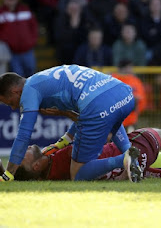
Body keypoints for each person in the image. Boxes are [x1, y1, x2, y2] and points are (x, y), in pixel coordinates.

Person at [0, 65, 142, 182]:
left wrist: (9, 174)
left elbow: (23, 135)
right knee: (109, 117)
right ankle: (130, 156)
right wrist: (66, 137)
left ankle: (123, 159)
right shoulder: (42, 79)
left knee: (78, 174)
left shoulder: (28, 92)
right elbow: (85, 112)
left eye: (10, 103)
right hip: (124, 94)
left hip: (99, 105)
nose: (13, 108)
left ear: (15, 91)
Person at [11, 127, 161, 181]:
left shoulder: (52, 170)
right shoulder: (61, 157)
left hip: (122, 171)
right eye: (22, 157)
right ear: (36, 167)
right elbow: (88, 127)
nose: (23, 150)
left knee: (136, 168)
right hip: (134, 148)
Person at [0, 0, 38, 78]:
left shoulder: (25, 10)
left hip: (28, 49)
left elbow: (34, 27)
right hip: (12, 51)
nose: (11, 1)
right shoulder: (1, 13)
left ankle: (30, 92)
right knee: (18, 75)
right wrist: (6, 41)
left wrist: (32, 41)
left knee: (31, 72)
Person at [112, 60, 147, 132]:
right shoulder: (112, 79)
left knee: (130, 140)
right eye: (129, 68)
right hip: (114, 120)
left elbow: (141, 99)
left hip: (131, 119)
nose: (131, 70)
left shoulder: (134, 80)